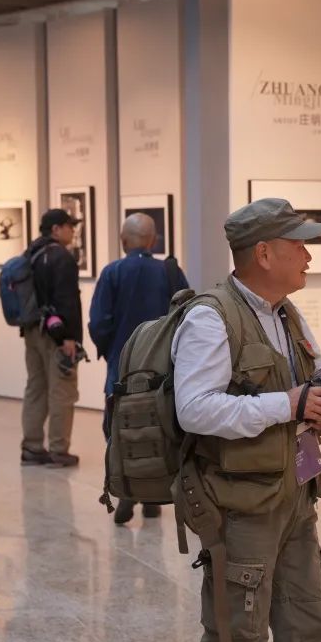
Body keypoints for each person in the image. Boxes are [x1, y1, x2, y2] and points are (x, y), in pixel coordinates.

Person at [172, 197, 321, 642]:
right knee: (239, 636)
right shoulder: (210, 318)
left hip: (297, 497)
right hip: (242, 509)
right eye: (299, 245)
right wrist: (288, 405)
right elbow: (194, 408)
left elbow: (317, 368)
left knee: (311, 627)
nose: (309, 255)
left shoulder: (287, 312)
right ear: (264, 254)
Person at [88, 212, 189, 524]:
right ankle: (154, 496)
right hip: (164, 372)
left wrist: (111, 353)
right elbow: (189, 316)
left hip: (122, 369)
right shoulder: (170, 272)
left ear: (123, 241)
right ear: (153, 240)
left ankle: (126, 494)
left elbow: (99, 322)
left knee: (120, 432)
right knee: (160, 431)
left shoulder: (112, 272)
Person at [20, 208, 83, 468]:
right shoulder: (61, 257)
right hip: (56, 334)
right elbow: (66, 300)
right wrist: (67, 338)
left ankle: (32, 447)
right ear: (56, 229)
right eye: (69, 226)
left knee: (36, 387)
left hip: (32, 330)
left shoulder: (30, 253)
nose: (72, 230)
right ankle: (59, 449)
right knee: (62, 390)